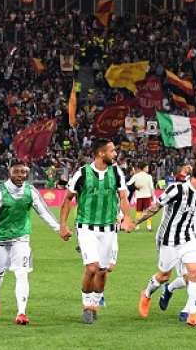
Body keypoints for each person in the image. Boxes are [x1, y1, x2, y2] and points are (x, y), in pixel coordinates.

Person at [136, 159, 196, 327]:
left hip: (187, 238)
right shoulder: (177, 189)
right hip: (168, 239)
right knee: (164, 275)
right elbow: (155, 206)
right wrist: (135, 222)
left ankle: (192, 315)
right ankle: (147, 293)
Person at [59, 138, 134, 324]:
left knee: (102, 270)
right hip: (86, 228)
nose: (115, 154)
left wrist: (127, 218)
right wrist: (63, 225)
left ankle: (94, 304)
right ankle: (87, 305)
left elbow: (123, 197)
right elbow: (68, 199)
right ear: (101, 153)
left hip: (109, 228)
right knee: (91, 267)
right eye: (112, 151)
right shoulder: (82, 173)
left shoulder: (116, 172)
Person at [0, 160, 68, 325]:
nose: (20, 175)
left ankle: (21, 313)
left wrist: (59, 228)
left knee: (21, 273)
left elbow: (44, 212)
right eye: (17, 172)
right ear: (9, 172)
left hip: (21, 238)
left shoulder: (31, 191)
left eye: (23, 172)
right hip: (0, 238)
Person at [157, 151, 196, 314]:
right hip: (187, 235)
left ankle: (187, 309)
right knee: (190, 276)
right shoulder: (187, 184)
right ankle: (170, 290)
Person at [128, 162, 155, 231]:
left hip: (139, 196)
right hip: (147, 196)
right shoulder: (149, 176)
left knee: (138, 211)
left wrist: (135, 187)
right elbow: (151, 188)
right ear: (144, 168)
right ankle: (149, 226)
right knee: (148, 212)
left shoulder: (136, 176)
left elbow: (128, 184)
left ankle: (137, 225)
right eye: (147, 167)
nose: (148, 169)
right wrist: (153, 197)